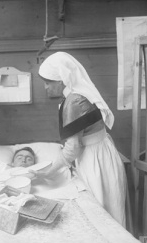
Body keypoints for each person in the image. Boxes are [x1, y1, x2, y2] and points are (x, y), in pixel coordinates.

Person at [34, 51, 126, 227]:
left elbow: (73, 147)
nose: (45, 88)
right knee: (112, 211)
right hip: (103, 153)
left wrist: (50, 171)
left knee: (100, 217)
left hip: (95, 161)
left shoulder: (75, 101)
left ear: (61, 80)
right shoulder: (81, 94)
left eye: (47, 83)